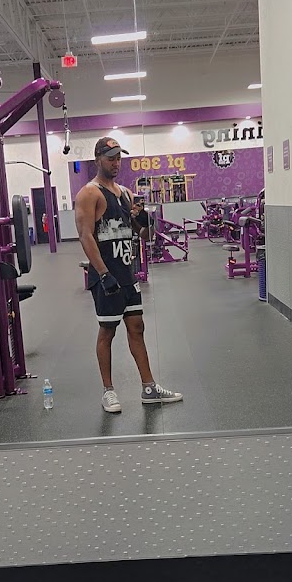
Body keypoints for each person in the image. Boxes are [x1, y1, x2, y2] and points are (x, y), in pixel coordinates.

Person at [75, 137, 183, 414]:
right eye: (110, 158)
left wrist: (145, 221)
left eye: (118, 158)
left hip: (127, 273)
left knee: (137, 327)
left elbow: (144, 235)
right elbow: (85, 235)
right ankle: (108, 391)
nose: (116, 163)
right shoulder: (90, 193)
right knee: (107, 331)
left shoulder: (125, 194)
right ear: (98, 159)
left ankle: (149, 388)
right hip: (106, 276)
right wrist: (103, 273)